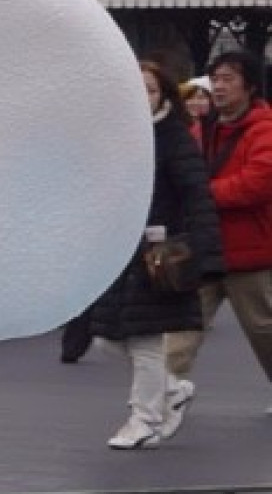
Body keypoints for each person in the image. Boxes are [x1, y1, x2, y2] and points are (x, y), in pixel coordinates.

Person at [90, 61, 221, 448]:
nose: (141, 96)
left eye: (149, 89)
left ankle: (143, 418)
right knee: (107, 339)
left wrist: (203, 250)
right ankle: (172, 389)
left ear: (163, 95)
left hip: (159, 253)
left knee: (144, 337)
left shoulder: (172, 138)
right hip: (122, 250)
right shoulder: (118, 137)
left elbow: (197, 194)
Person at [166, 42, 272, 410]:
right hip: (205, 248)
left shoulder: (265, 129)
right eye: (215, 78)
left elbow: (258, 182)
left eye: (228, 78)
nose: (219, 85)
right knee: (181, 330)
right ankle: (159, 399)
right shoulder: (202, 130)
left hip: (250, 253)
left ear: (250, 86)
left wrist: (202, 194)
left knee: (264, 332)